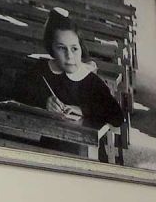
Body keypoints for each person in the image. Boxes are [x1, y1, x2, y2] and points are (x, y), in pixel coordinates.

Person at [9, 8, 123, 145]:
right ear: (52, 49)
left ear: (81, 48)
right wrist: (44, 101)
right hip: (48, 144)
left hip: (85, 149)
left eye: (74, 48)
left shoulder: (89, 80)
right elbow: (17, 91)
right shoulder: (42, 69)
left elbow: (117, 116)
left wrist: (83, 110)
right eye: (62, 48)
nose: (69, 56)